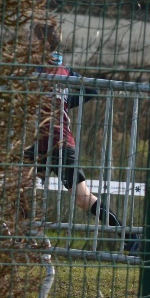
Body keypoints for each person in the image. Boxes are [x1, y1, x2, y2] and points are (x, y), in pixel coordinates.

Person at [21, 20, 136, 250]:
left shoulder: (41, 70)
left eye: (32, 39)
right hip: (40, 144)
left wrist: (63, 104)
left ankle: (129, 237)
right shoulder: (57, 69)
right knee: (19, 185)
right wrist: (62, 104)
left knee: (83, 199)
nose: (28, 42)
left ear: (42, 43)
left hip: (60, 144)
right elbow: (90, 90)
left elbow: (91, 89)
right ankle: (24, 239)